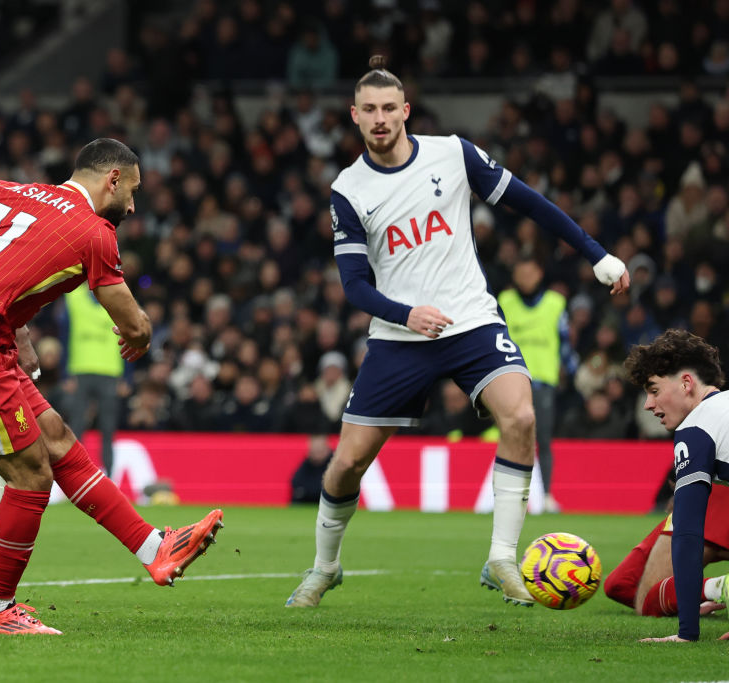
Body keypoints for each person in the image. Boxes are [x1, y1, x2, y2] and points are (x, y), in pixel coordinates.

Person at [285, 56, 629, 609]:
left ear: (405, 111)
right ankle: (325, 567)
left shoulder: (453, 153)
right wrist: (406, 314)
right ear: (353, 115)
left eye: (388, 109)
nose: (380, 119)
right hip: (400, 338)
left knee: (519, 415)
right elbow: (353, 285)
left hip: (471, 321)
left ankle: (501, 558)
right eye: (368, 110)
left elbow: (531, 204)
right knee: (348, 461)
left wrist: (596, 253)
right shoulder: (348, 190)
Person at [0, 138, 223, 635]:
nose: (133, 205)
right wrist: (139, 337)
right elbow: (133, 323)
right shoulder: (93, 232)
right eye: (132, 191)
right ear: (112, 179)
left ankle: (153, 548)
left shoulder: (1, 191)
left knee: (55, 438)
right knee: (31, 478)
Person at [624, 329, 729, 643]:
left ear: (686, 384)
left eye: (654, 390)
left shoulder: (699, 424)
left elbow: (688, 532)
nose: (647, 404)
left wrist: (687, 634)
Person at [498, 255, 571, 513]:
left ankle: (547, 495)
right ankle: (511, 496)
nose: (525, 279)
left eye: (529, 273)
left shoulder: (555, 303)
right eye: (520, 274)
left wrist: (570, 370)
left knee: (544, 439)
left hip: (543, 381)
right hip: (511, 380)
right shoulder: (505, 301)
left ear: (540, 274)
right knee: (510, 437)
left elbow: (565, 341)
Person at [604, 483, 729, 619]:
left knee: (649, 602)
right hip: (696, 490)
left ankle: (719, 587)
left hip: (715, 491)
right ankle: (707, 595)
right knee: (620, 585)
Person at [63, 282, 124, 475]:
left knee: (107, 428)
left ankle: (110, 477)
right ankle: (75, 476)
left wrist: (126, 377)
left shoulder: (118, 295)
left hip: (109, 371)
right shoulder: (74, 296)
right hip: (81, 370)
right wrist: (66, 373)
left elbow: (128, 335)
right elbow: (65, 334)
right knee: (77, 426)